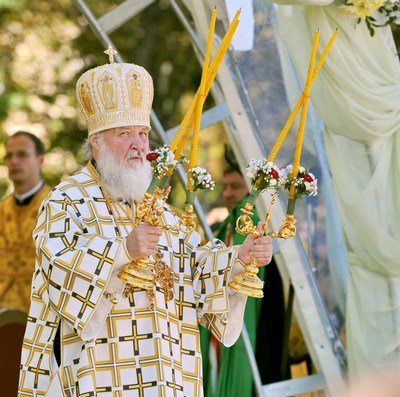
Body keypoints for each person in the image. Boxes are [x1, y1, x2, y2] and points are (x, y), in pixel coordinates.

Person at [17, 52, 273, 397]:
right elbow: (57, 270)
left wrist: (238, 258)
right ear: (96, 143)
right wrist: (122, 251)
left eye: (143, 133)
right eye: (125, 133)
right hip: (98, 376)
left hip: (165, 374)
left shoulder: (159, 211)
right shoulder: (67, 200)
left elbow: (194, 269)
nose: (139, 145)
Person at [201, 163, 286, 397]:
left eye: (235, 187)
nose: (227, 193)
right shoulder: (225, 227)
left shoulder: (248, 225)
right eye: (225, 187)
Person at [0, 131, 51, 312]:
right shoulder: (1, 210)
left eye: (22, 154)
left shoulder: (58, 206)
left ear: (40, 160)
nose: (14, 161)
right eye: (9, 156)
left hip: (43, 315)